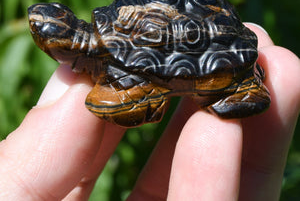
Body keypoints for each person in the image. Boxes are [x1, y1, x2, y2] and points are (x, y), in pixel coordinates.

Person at [0, 24, 299, 200]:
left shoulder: (113, 58)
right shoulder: (109, 54)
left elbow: (143, 94)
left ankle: (242, 85)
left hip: (216, 54)